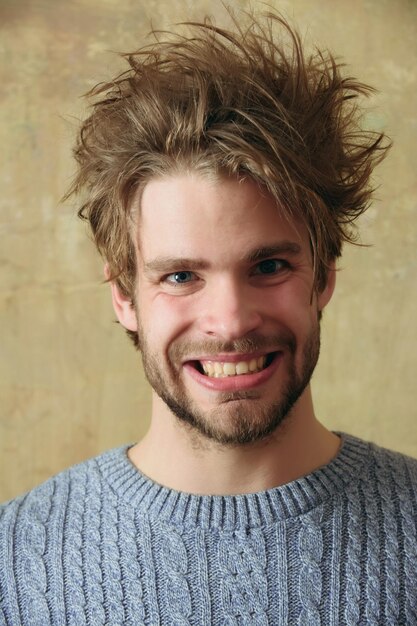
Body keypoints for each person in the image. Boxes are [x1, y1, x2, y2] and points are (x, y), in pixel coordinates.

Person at [1, 11, 416, 626]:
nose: (230, 320)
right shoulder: (17, 562)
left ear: (324, 275)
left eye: (270, 265)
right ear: (123, 296)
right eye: (180, 276)